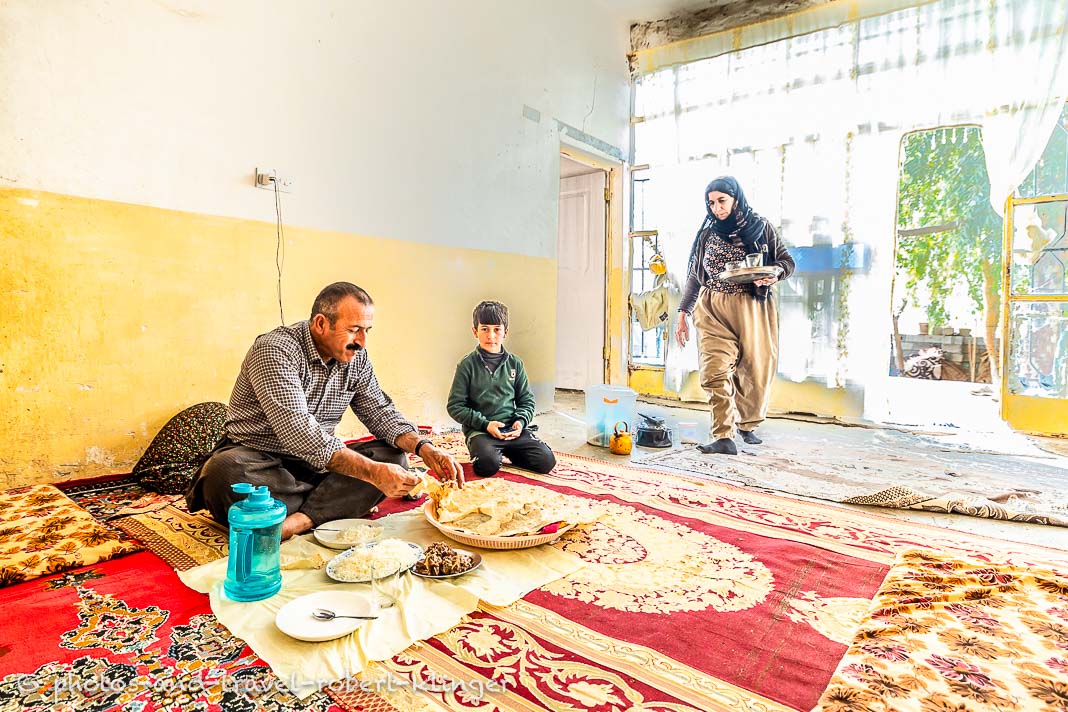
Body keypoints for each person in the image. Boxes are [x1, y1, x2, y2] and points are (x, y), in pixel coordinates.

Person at [186, 282, 464, 539]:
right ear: (321, 324)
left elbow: (380, 412)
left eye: (367, 331)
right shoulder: (275, 350)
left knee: (394, 457)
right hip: (260, 461)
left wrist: (425, 448)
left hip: (318, 465)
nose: (362, 341)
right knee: (223, 473)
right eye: (354, 329)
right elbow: (299, 433)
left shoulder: (356, 357)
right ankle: (331, 507)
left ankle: (298, 520)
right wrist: (371, 476)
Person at [675, 176, 795, 455]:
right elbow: (695, 275)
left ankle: (747, 424)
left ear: (736, 199)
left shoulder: (762, 227)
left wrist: (774, 273)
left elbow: (786, 262)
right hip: (712, 307)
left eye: (721, 201)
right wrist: (683, 311)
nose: (716, 208)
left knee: (755, 369)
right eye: (711, 203)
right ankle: (723, 435)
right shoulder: (707, 234)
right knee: (714, 370)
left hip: (752, 306)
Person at [446, 300, 556, 477]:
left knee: (546, 461)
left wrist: (520, 422)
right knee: (486, 466)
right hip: (481, 431)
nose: (491, 335)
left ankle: (508, 451)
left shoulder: (515, 364)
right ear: (475, 331)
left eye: (497, 329)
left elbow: (526, 401)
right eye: (485, 329)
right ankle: (493, 454)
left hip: (511, 430)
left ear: (505, 332)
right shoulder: (467, 365)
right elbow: (455, 406)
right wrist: (485, 424)